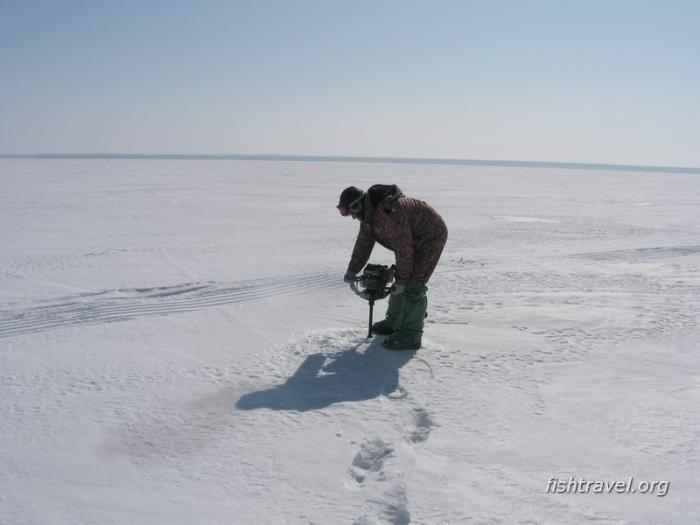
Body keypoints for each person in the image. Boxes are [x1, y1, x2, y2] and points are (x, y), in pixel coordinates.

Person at [337, 184, 448, 350]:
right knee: (401, 280)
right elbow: (363, 244)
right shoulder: (368, 216)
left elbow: (404, 250)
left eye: (349, 213)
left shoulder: (389, 213)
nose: (352, 217)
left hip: (430, 237)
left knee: (412, 285)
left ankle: (410, 336)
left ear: (357, 206)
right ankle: (394, 322)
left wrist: (403, 280)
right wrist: (352, 270)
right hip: (411, 239)